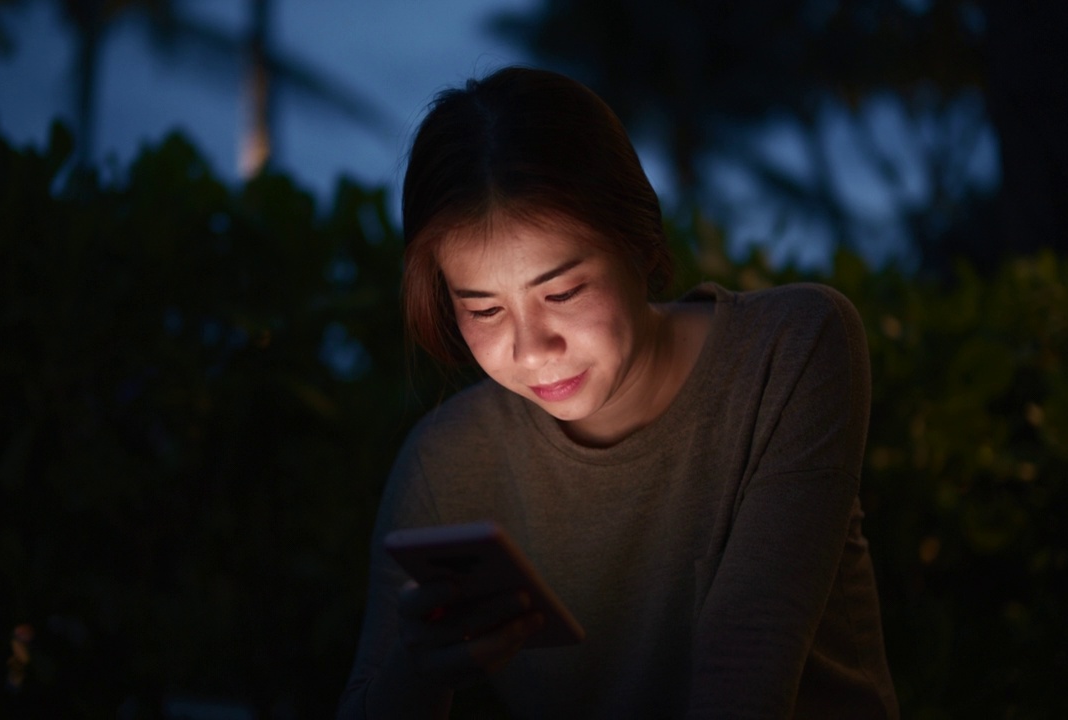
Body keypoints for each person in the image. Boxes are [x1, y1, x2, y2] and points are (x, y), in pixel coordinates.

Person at [338, 66, 898, 719]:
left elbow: (745, 669)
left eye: (564, 292)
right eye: (484, 310)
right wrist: (423, 665)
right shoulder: (450, 461)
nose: (531, 347)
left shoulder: (788, 350)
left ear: (636, 242)